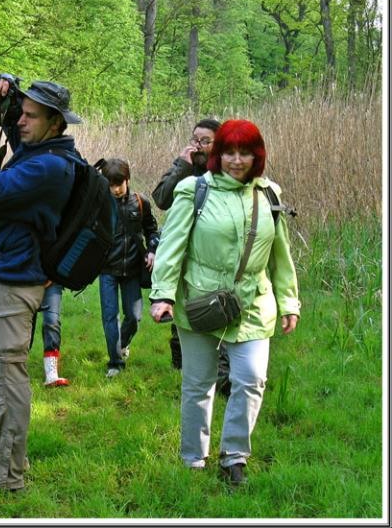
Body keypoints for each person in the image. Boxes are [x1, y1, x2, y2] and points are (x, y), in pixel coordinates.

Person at [149, 119, 300, 487]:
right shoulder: (193, 190)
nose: (236, 160)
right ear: (217, 155)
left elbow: (280, 254)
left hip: (253, 305)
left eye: (244, 152)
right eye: (228, 152)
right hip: (200, 303)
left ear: (256, 155)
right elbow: (172, 246)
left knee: (251, 380)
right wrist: (163, 294)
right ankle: (193, 459)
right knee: (199, 385)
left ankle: (234, 457)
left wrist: (289, 300)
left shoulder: (269, 194)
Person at [0, 73, 83, 494]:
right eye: (22, 113)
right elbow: (17, 126)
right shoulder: (36, 149)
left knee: (3, 378)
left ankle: (4, 476)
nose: (21, 122)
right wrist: (7, 89)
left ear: (56, 123)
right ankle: (5, 458)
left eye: (31, 116)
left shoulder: (51, 165)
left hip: (14, 281)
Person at [152, 119, 230, 395]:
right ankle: (185, 370)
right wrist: (180, 165)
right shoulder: (186, 171)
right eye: (195, 139)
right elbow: (161, 198)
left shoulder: (227, 172)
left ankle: (223, 381)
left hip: (216, 256)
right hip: (186, 255)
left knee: (218, 313)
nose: (197, 145)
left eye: (204, 141)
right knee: (186, 316)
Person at [97, 158, 159, 378]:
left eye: (118, 184)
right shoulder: (99, 204)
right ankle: (115, 363)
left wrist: (152, 250)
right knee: (109, 316)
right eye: (110, 185)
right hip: (106, 270)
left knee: (134, 317)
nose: (114, 190)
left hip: (133, 269)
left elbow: (152, 230)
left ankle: (121, 345)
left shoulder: (141, 202)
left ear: (127, 180)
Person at [39, 282, 70, 387]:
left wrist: (51, 278)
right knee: (22, 324)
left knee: (52, 321)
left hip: (52, 281)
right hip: (25, 278)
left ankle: (51, 374)